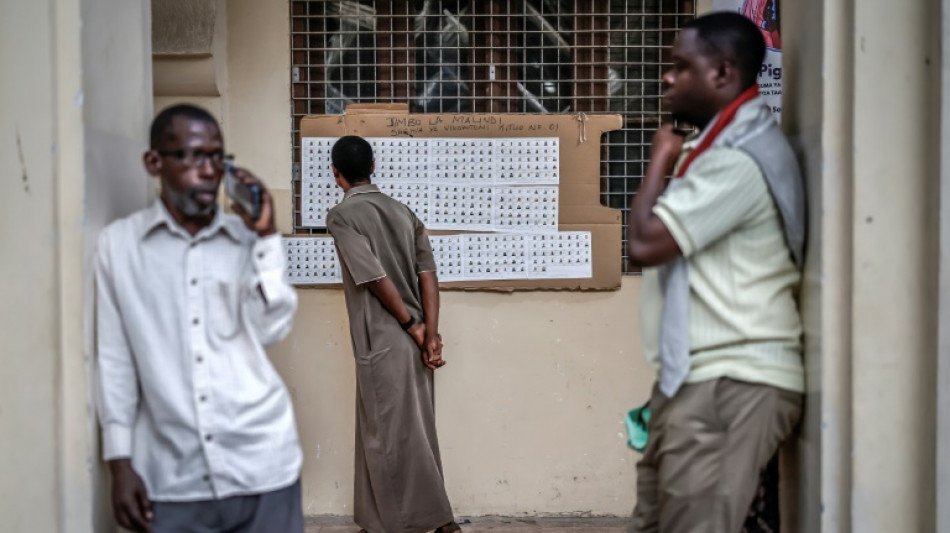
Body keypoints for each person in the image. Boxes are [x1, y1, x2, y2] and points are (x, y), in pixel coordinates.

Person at [626, 12, 805, 533]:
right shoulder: (722, 149)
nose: (667, 78)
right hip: (702, 377)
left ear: (723, 73)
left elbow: (645, 243)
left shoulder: (739, 160)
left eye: (681, 67)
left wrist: (659, 159)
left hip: (731, 382)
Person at [95, 104, 303, 533]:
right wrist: (119, 462)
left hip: (263, 464)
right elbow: (114, 358)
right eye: (192, 156)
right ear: (154, 162)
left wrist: (266, 238)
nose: (209, 170)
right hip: (172, 477)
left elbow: (272, 328)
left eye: (216, 156)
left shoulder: (246, 241)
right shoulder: (119, 247)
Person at [326, 135, 460, 533]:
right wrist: (430, 334)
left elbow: (374, 277)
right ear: (372, 168)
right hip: (415, 339)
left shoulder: (342, 216)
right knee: (405, 431)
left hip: (384, 337)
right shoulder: (404, 213)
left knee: (387, 434)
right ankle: (380, 520)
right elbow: (428, 277)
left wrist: (411, 326)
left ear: (337, 175)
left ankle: (437, 522)